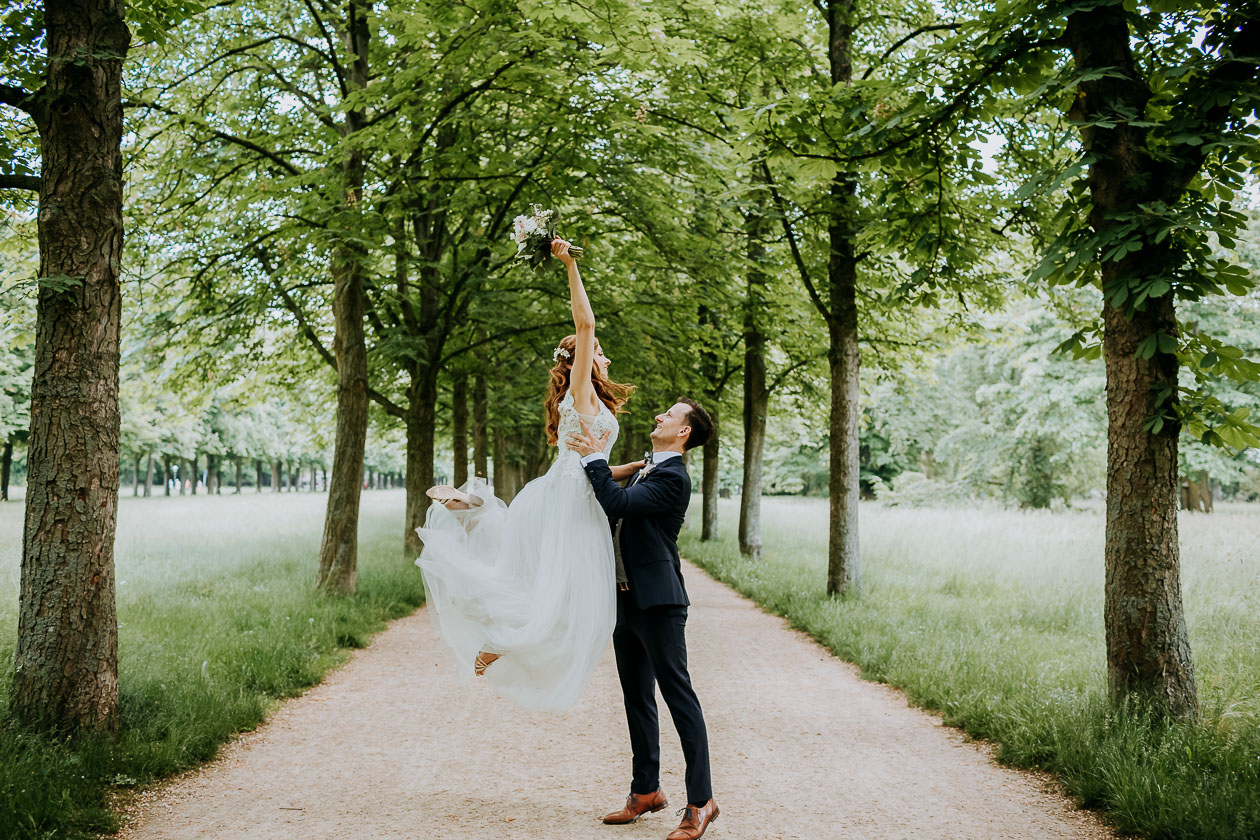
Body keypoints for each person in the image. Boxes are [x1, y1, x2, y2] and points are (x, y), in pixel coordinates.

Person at [414, 238, 643, 711]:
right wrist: (570, 264)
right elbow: (586, 321)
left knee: (562, 597)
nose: (604, 358)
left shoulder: (590, 401)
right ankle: (498, 636)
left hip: (576, 493)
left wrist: (637, 466)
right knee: (569, 602)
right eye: (597, 352)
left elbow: (593, 463)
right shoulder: (581, 391)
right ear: (579, 357)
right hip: (569, 502)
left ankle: (472, 513)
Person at [566, 397, 720, 840]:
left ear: (684, 431)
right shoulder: (648, 468)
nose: (660, 416)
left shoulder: (673, 477)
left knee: (679, 698)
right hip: (624, 601)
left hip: (659, 604)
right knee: (637, 699)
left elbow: (616, 504)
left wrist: (596, 454)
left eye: (670, 414)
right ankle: (646, 791)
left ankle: (700, 802)